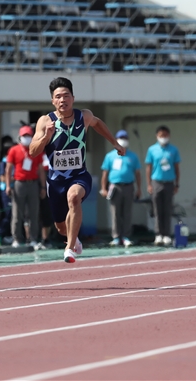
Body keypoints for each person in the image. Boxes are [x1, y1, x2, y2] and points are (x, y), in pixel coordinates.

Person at [30, 77, 124, 263]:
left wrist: (114, 142)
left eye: (66, 96)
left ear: (73, 98)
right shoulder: (45, 121)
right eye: (58, 97)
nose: (62, 100)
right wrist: (46, 137)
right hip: (55, 181)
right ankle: (74, 239)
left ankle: (69, 248)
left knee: (74, 198)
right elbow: (33, 152)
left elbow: (98, 124)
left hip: (79, 176)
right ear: (53, 101)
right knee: (60, 226)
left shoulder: (84, 116)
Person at [4, 127, 46, 248]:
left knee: (34, 213)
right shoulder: (14, 150)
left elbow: (41, 170)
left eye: (28, 135)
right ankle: (17, 238)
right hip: (19, 183)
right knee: (17, 213)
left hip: (33, 183)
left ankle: (33, 238)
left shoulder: (36, 150)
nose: (26, 137)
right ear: (20, 136)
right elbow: (8, 169)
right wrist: (8, 185)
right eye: (24, 135)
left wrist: (43, 187)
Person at [100, 129, 141, 248]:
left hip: (128, 186)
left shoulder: (132, 156)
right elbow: (105, 173)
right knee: (115, 213)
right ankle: (116, 237)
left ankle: (126, 236)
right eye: (120, 138)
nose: (123, 140)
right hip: (115, 187)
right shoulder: (110, 156)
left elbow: (137, 173)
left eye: (125, 138)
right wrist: (104, 188)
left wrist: (139, 188)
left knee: (127, 212)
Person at [145, 126, 181, 246]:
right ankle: (158, 234)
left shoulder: (173, 150)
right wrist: (149, 184)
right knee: (157, 210)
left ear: (169, 136)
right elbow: (148, 167)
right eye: (161, 135)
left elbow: (176, 167)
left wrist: (177, 184)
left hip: (169, 182)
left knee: (167, 209)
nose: (163, 138)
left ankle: (166, 234)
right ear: (157, 136)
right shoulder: (152, 150)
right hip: (156, 182)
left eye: (165, 135)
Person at [0, 135, 15, 247]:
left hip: (14, 189)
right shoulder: (4, 162)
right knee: (8, 213)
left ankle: (8, 235)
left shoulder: (13, 161)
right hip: (5, 191)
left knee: (13, 214)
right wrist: (14, 178)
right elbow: (1, 177)